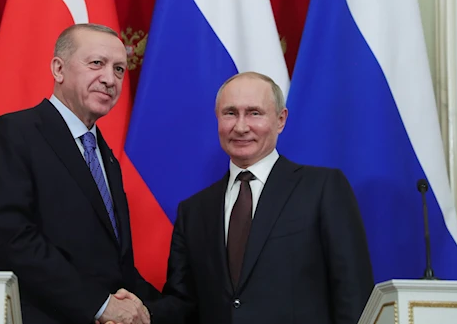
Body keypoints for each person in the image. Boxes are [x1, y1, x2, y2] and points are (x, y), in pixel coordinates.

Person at [118, 71, 375, 324]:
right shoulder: (194, 211)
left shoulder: (323, 188)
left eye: (254, 113)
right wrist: (144, 315)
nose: (241, 127)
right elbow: (185, 303)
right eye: (230, 113)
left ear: (280, 120)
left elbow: (353, 293)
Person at [0, 23, 159, 324]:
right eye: (96, 64)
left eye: (119, 69)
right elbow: (12, 240)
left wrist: (160, 310)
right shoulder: (14, 133)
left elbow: (113, 265)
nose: (109, 79)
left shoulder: (106, 156)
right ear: (58, 69)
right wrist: (100, 305)